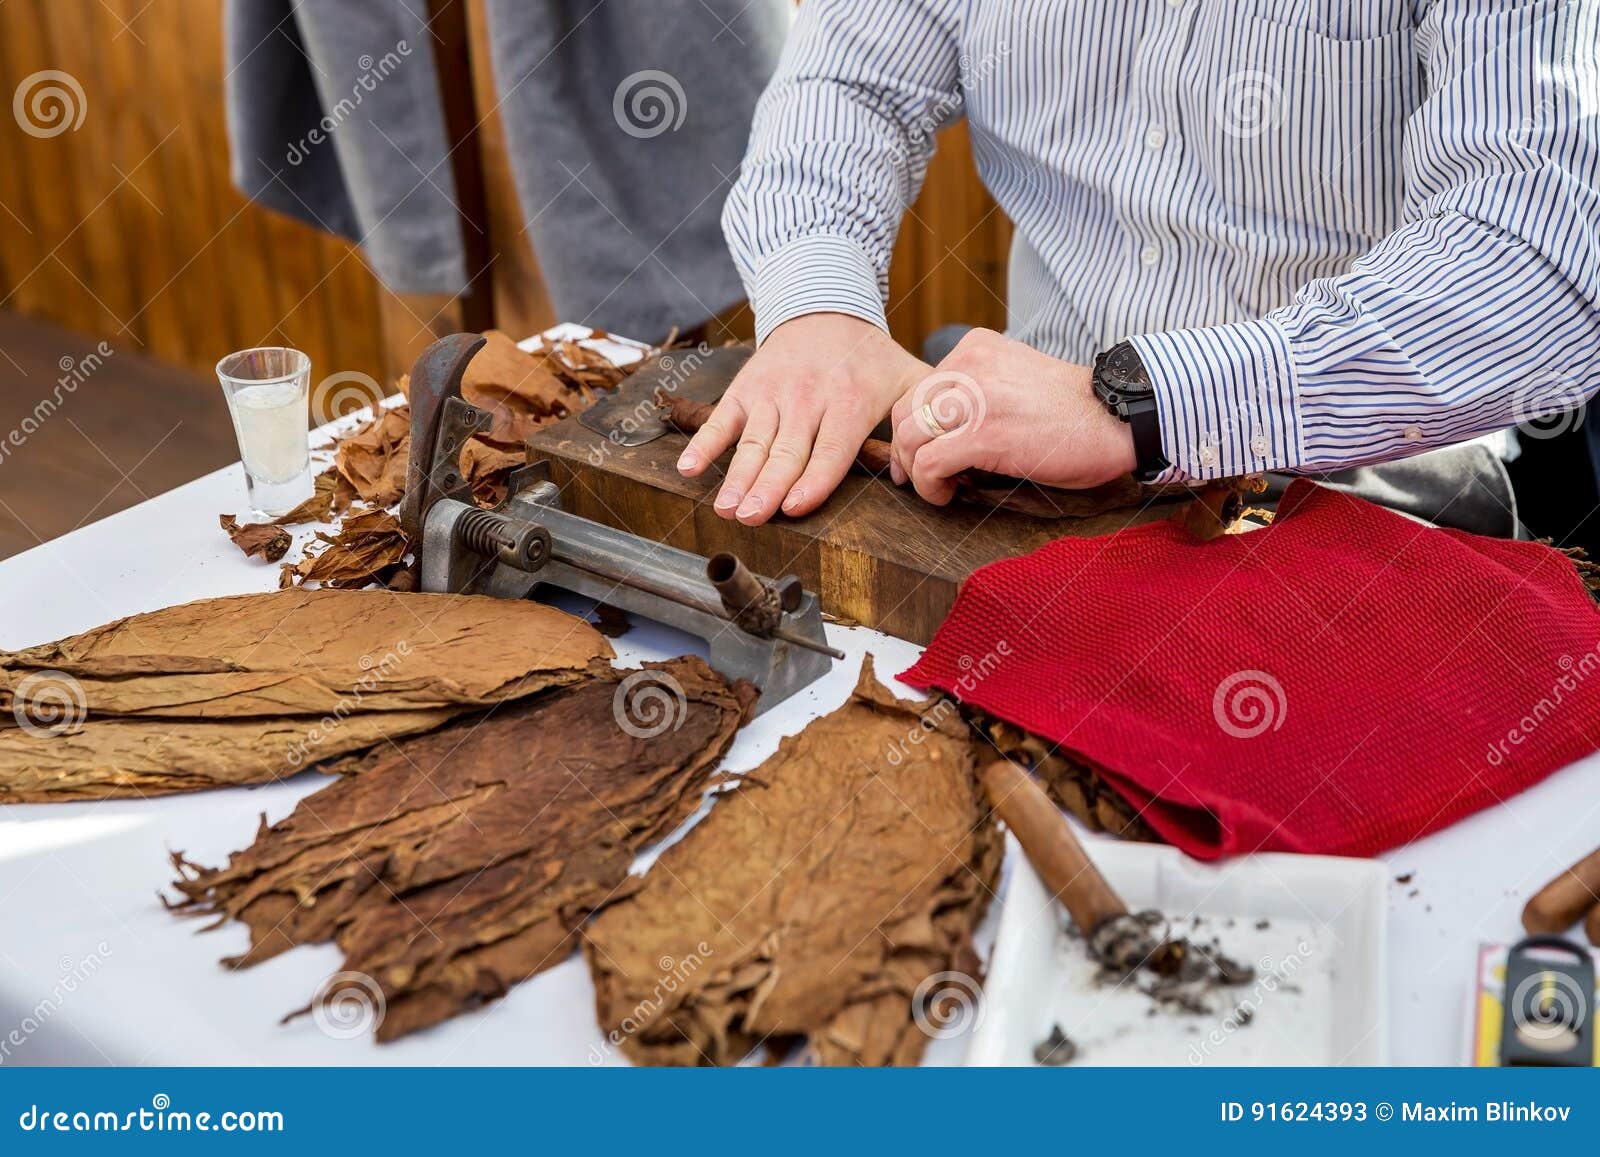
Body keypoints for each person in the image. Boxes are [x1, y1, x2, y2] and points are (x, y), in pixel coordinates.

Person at [676, 1, 1600, 528]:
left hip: (1358, 493)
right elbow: (852, 87)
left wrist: (1146, 404)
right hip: (1019, 466)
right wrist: (821, 305)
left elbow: (1543, 265)